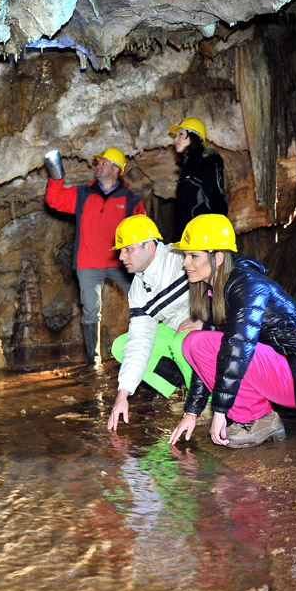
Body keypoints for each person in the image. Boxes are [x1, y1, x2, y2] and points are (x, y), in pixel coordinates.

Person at [167, 214, 296, 449]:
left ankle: (255, 419)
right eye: (185, 255)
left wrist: (219, 412)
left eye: (193, 255)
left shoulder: (248, 286)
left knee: (199, 342)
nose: (185, 262)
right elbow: (213, 357)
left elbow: (236, 349)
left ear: (218, 258)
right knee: (193, 341)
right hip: (285, 369)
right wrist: (192, 412)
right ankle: (256, 416)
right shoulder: (219, 289)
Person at [45, 147, 146, 367]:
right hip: (89, 263)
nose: (97, 166)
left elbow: (144, 231)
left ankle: (145, 350)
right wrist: (56, 177)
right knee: (91, 311)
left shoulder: (130, 200)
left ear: (116, 169)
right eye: (98, 163)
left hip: (121, 263)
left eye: (103, 162)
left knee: (143, 302)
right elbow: (54, 200)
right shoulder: (82, 194)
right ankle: (94, 360)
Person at [107, 215, 198, 430]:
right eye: (121, 250)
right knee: (122, 346)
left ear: (149, 246)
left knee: (182, 343)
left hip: (209, 331)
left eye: (128, 249)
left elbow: (220, 283)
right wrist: (122, 395)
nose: (121, 256)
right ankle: (181, 389)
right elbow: (140, 340)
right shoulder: (139, 288)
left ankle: (205, 403)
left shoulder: (180, 259)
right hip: (177, 333)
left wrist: (205, 319)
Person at [170, 117, 227, 240]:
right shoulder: (186, 169)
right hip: (188, 238)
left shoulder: (209, 161)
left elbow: (214, 197)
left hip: (203, 236)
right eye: (176, 135)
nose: (175, 139)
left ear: (194, 137)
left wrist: (215, 234)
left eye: (181, 134)